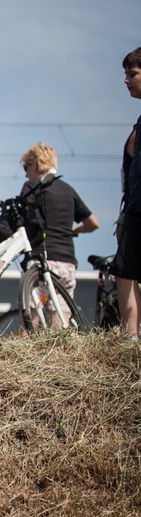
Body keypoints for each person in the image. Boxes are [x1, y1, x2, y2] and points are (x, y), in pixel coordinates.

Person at [3, 142, 98, 298]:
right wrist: (74, 230)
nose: (26, 173)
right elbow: (93, 223)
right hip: (66, 262)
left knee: (32, 315)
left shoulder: (31, 187)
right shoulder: (68, 190)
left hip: (39, 259)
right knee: (60, 316)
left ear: (34, 164)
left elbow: (24, 220)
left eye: (26, 167)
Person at [115, 47, 141, 339]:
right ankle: (130, 336)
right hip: (135, 206)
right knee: (124, 268)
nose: (126, 80)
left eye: (132, 73)